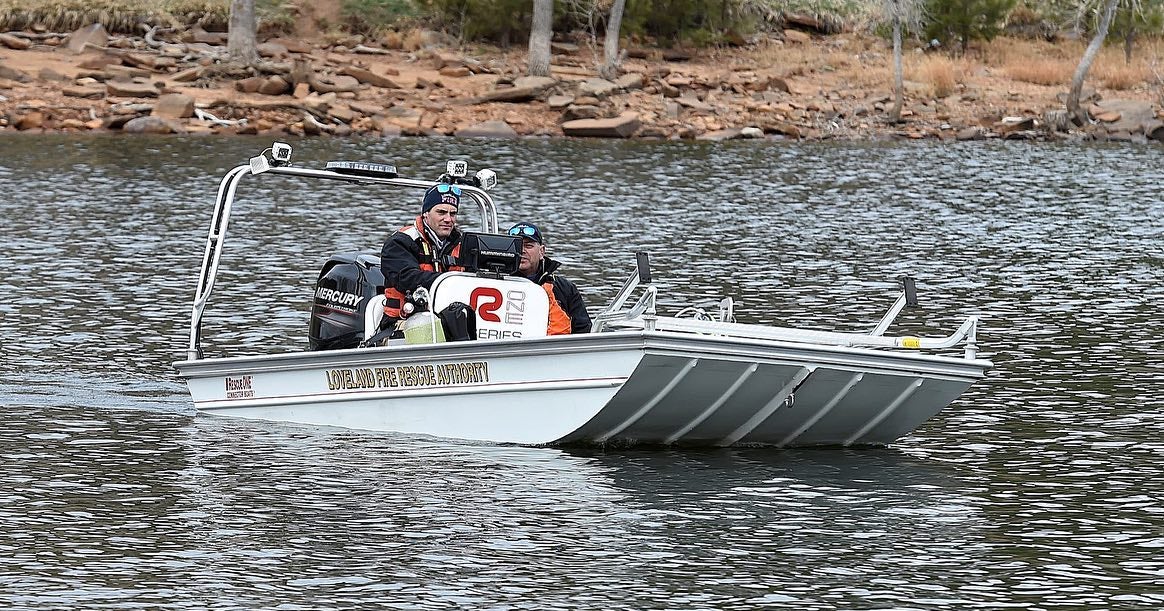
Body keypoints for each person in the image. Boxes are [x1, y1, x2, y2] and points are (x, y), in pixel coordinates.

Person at [380, 184, 464, 321]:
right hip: (402, 322)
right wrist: (451, 282)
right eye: (441, 212)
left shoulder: (463, 245)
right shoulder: (399, 242)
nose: (448, 219)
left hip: (450, 318)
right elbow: (406, 278)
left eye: (453, 213)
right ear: (426, 213)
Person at [507, 221, 591, 335]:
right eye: (517, 246)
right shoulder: (494, 283)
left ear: (542, 251)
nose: (522, 251)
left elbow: (583, 330)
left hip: (555, 349)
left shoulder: (565, 289)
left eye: (528, 246)